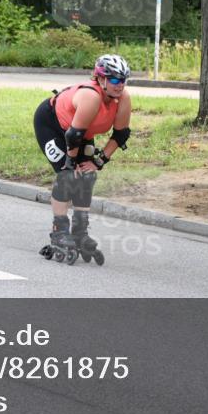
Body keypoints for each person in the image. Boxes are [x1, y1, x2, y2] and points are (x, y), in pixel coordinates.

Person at [33, 54, 133, 266]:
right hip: (51, 125)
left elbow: (121, 135)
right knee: (68, 176)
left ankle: (79, 231)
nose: (120, 85)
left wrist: (99, 162)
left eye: (123, 80)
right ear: (101, 79)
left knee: (86, 176)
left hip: (79, 132)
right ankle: (59, 231)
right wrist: (70, 164)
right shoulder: (91, 96)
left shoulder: (123, 99)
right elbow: (73, 136)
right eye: (114, 80)